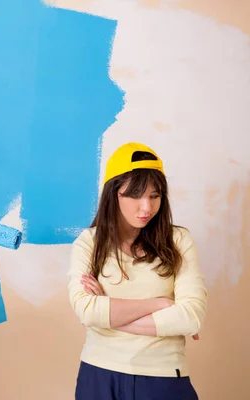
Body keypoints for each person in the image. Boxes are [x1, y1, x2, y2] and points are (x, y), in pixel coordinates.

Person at [67, 142, 208, 400]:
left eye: (155, 196)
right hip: (98, 375)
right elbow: (86, 311)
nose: (146, 208)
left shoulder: (178, 241)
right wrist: (162, 303)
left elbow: (191, 317)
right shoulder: (89, 242)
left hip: (164, 377)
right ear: (113, 193)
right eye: (135, 195)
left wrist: (108, 317)